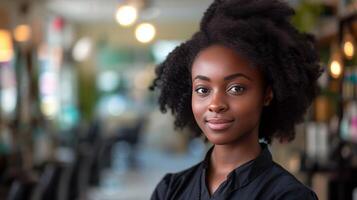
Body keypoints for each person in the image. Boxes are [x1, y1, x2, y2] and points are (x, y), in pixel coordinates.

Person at [150, 0, 323, 199]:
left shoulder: (290, 196)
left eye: (236, 88)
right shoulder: (170, 190)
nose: (215, 104)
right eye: (203, 89)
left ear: (267, 94)